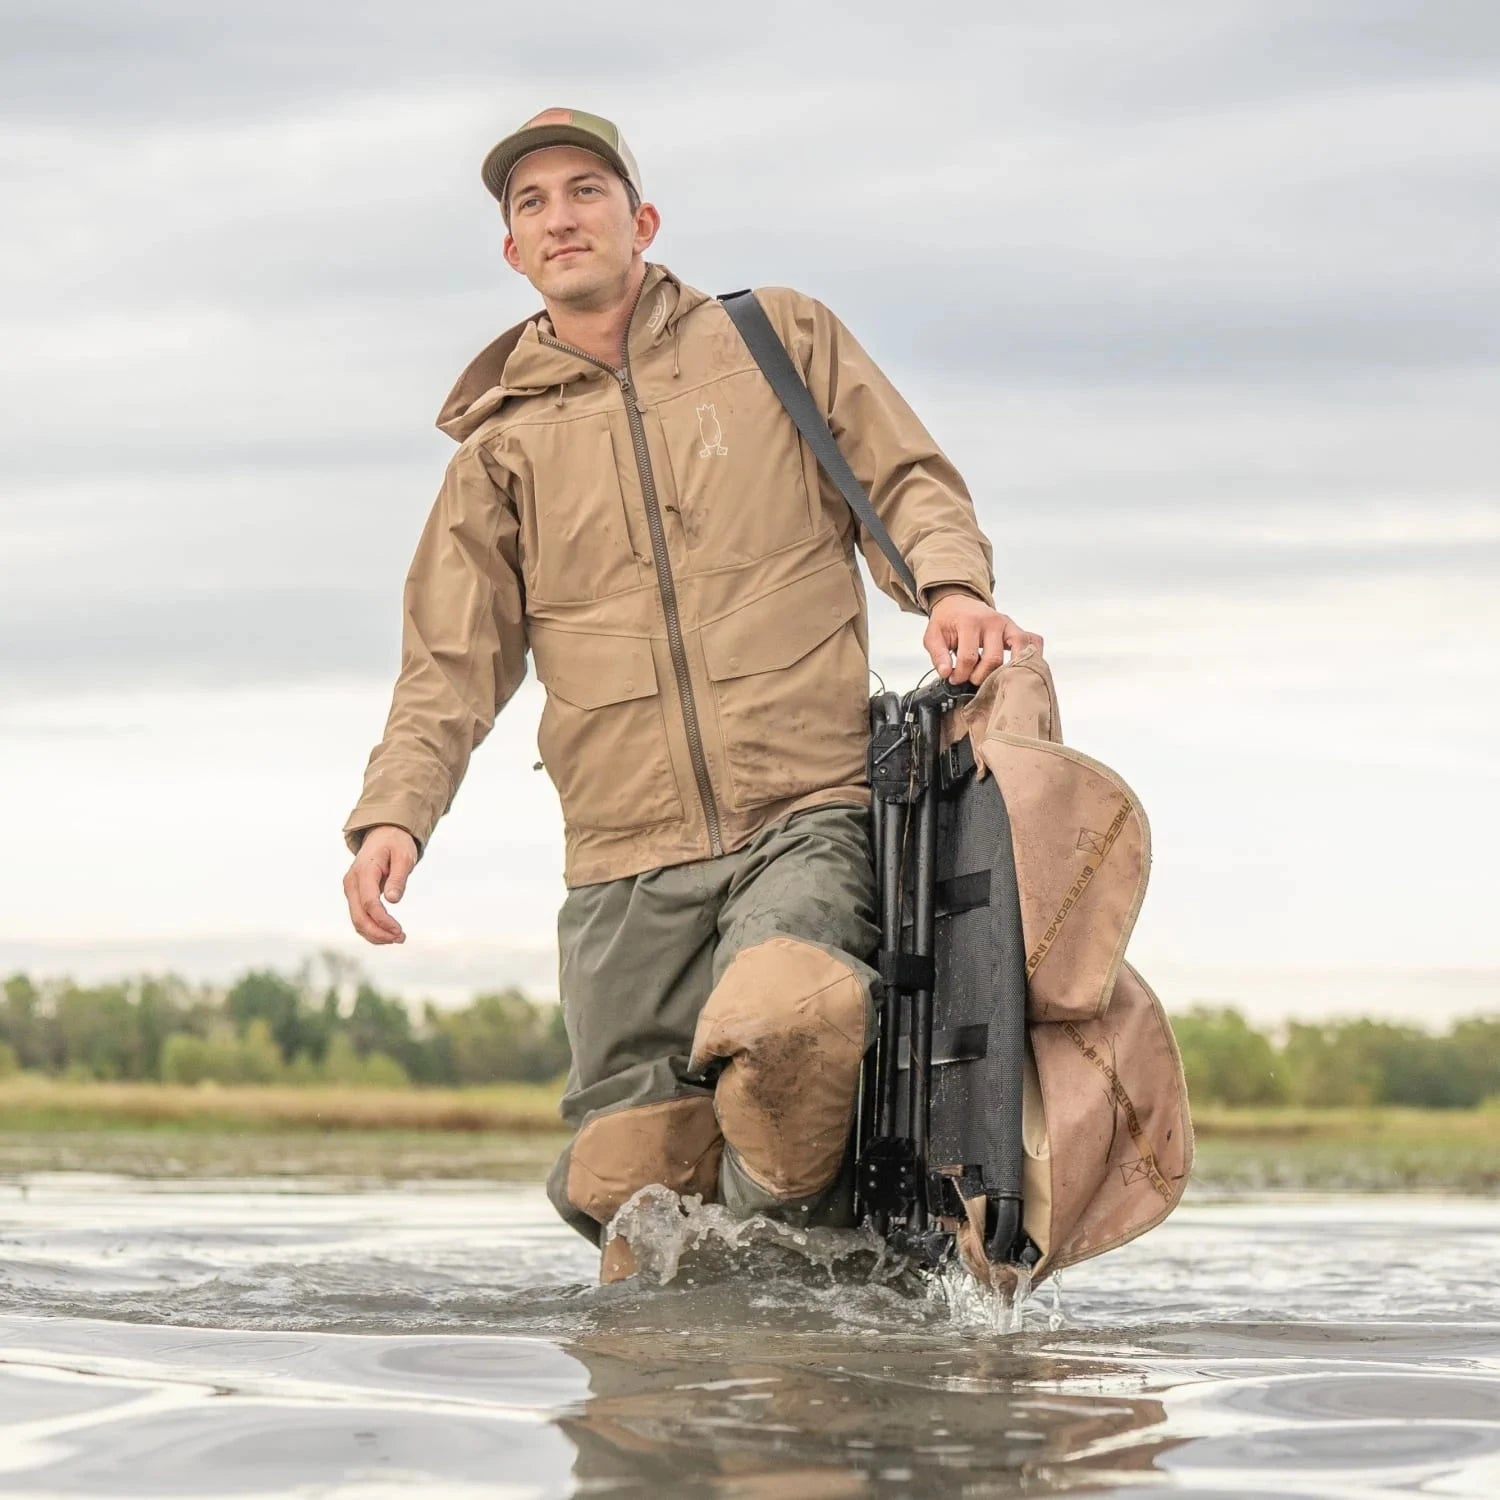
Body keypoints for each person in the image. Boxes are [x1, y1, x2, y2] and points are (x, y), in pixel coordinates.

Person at [341, 108, 1042, 1280]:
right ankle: (707, 1374)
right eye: (531, 204)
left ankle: (811, 1291)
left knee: (792, 1023)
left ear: (642, 219)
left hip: (804, 806)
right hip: (621, 860)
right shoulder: (497, 452)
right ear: (513, 252)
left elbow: (906, 479)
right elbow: (447, 664)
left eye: (585, 190)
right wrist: (394, 814)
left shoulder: (776, 342)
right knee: (629, 1187)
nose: (560, 216)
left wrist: (954, 589)